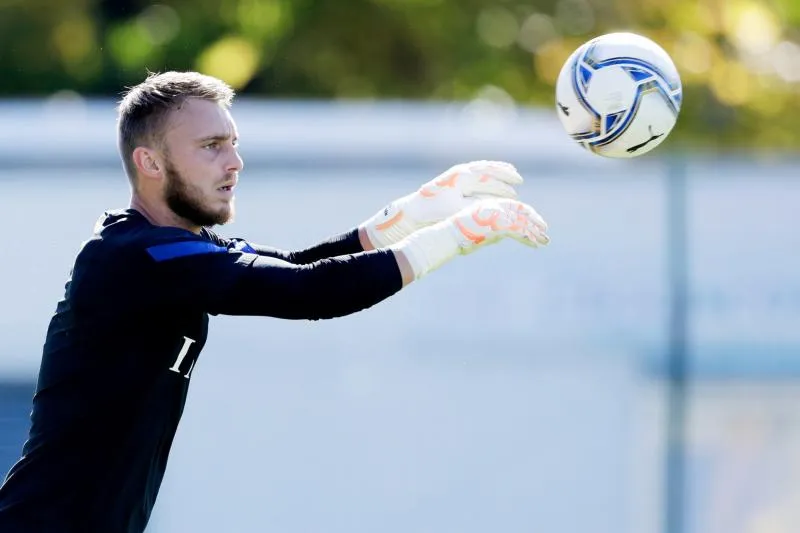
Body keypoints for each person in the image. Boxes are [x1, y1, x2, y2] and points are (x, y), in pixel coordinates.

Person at [0, 71, 549, 533]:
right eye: (211, 147)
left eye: (233, 142)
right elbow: (307, 291)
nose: (234, 162)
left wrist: (405, 217)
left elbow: (293, 265)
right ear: (150, 163)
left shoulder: (170, 250)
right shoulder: (136, 257)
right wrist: (457, 235)